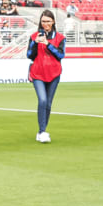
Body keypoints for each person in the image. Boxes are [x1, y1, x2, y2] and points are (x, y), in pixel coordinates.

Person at [27, 9, 65, 143]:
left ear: (53, 21)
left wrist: (48, 44)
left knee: (48, 104)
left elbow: (61, 55)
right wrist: (35, 43)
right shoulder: (33, 36)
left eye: (48, 21)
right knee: (42, 100)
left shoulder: (60, 38)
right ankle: (43, 132)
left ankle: (41, 130)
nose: (45, 24)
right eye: (43, 21)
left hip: (54, 74)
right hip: (37, 73)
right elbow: (29, 55)